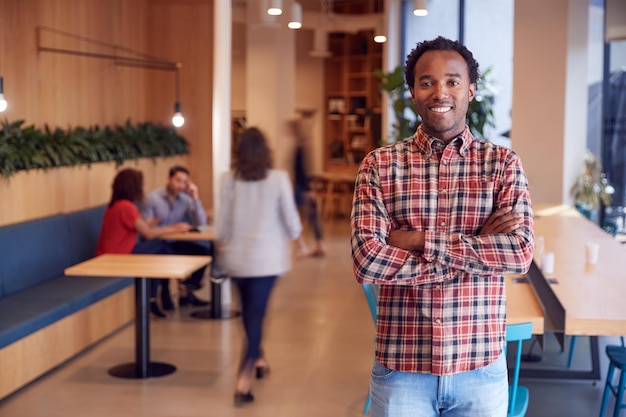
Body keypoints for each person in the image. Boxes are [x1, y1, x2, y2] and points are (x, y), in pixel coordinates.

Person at [350, 36, 535, 417]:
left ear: (471, 89)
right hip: (402, 368)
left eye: (452, 80)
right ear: (413, 92)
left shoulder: (502, 164)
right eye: (427, 81)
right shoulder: (380, 166)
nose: (440, 92)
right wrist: (478, 246)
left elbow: (518, 254)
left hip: (479, 366)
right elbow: (367, 261)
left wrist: (417, 241)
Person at [215, 127, 308, 407]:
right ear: (266, 151)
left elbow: (221, 225)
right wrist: (300, 243)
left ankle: (259, 357)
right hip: (265, 261)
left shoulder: (228, 180)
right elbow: (290, 217)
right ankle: (242, 383)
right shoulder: (278, 179)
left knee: (249, 313)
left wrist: (221, 250)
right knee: (255, 318)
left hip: (236, 260)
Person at [95, 168, 191, 318]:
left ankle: (158, 295)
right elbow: (148, 233)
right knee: (161, 246)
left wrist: (152, 223)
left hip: (112, 255)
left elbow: (138, 227)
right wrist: (173, 228)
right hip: (117, 258)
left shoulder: (115, 205)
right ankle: (174, 285)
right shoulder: (126, 207)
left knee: (159, 253)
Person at [143, 165, 210, 310]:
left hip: (174, 243)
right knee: (164, 255)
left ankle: (188, 288)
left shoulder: (185, 200)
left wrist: (195, 198)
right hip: (156, 243)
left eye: (184, 182)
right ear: (168, 179)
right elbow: (146, 230)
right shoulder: (153, 198)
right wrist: (173, 229)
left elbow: (201, 223)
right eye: (178, 180)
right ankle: (164, 295)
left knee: (205, 252)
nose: (181, 185)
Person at [287, 117, 326, 257]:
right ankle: (316, 245)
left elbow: (304, 170)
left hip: (302, 188)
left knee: (295, 214)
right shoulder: (300, 146)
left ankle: (310, 245)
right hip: (301, 187)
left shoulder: (301, 148)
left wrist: (309, 189)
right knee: (308, 215)